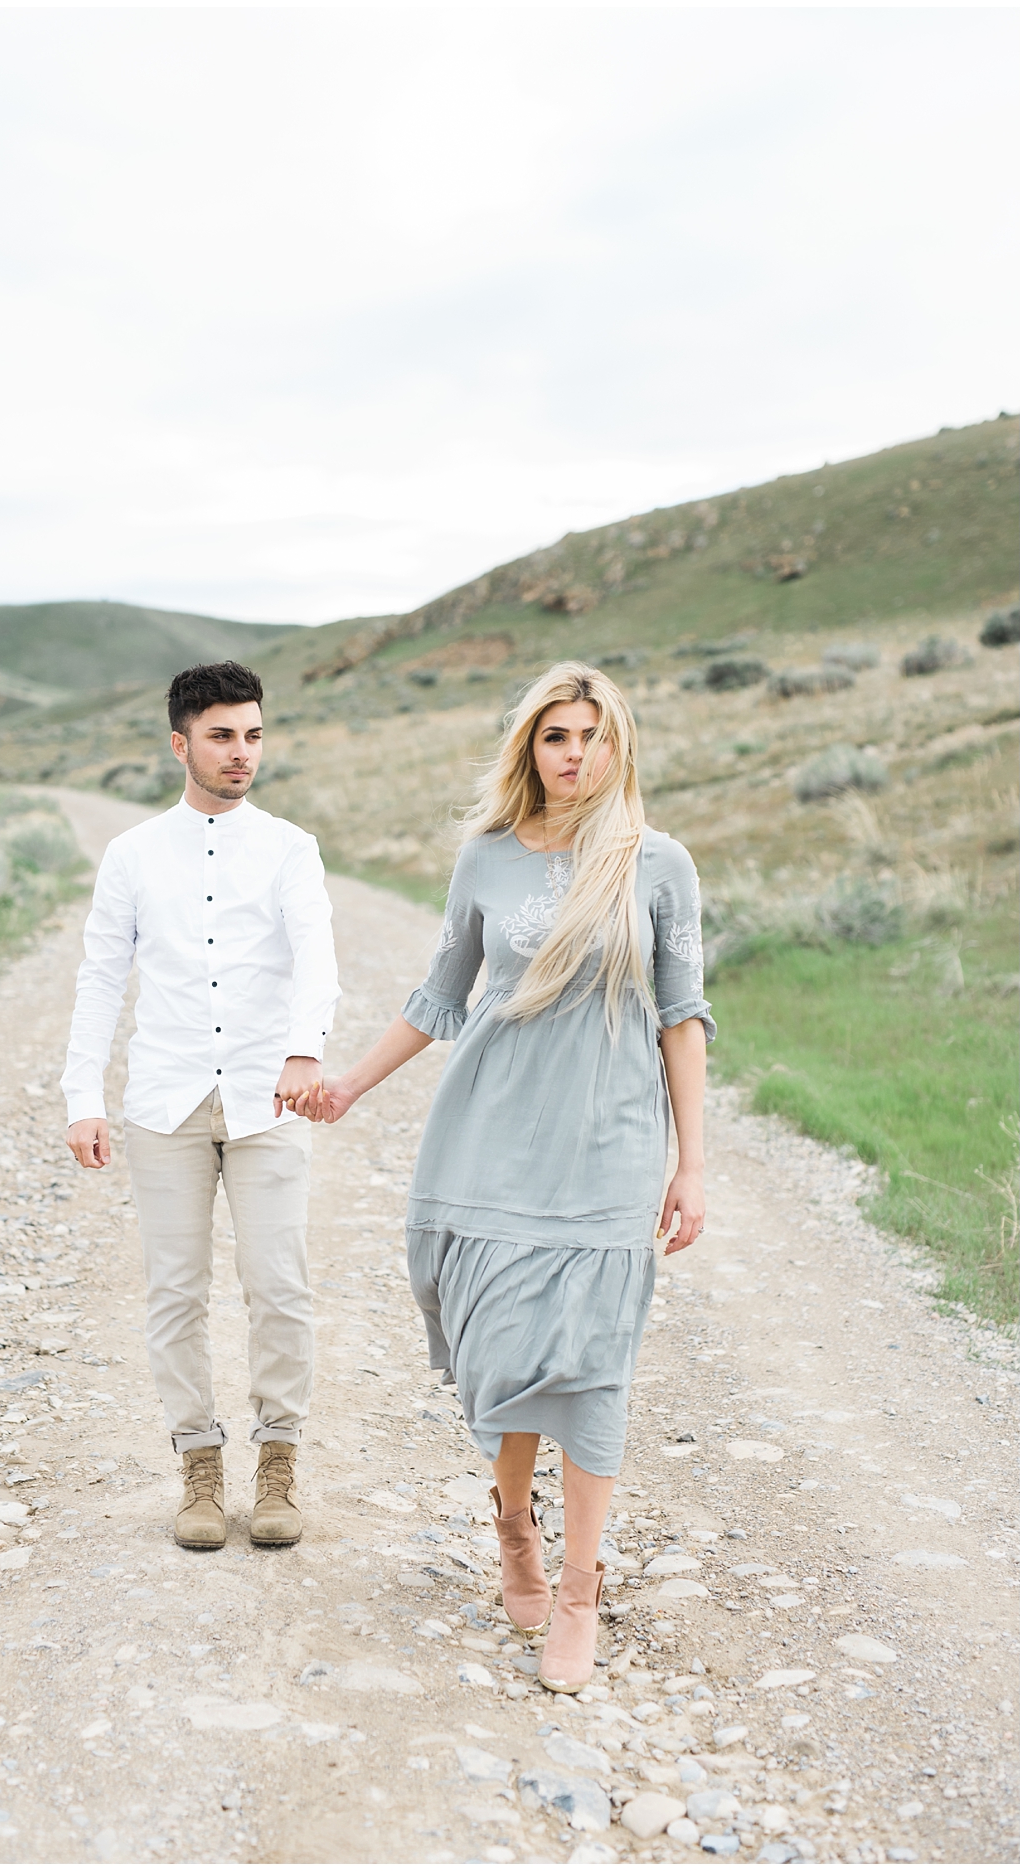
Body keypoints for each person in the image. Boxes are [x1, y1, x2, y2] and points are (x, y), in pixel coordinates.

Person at [297, 661, 711, 1694]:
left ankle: (578, 1587)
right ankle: (513, 1522)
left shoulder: (658, 865)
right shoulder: (484, 858)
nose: (576, 754)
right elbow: (439, 995)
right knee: (502, 1348)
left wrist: (690, 1161)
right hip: (488, 1134)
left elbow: (682, 1016)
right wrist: (346, 1082)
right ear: (529, 748)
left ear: (620, 745)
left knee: (590, 1360)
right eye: (556, 736)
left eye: (594, 734)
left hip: (609, 1143)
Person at [62, 661, 338, 1551]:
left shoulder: (290, 846)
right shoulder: (134, 853)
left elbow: (317, 953)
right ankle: (199, 1468)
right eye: (222, 735)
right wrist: (83, 1096)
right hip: (166, 1102)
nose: (241, 752)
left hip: (268, 1098)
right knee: (176, 1292)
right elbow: (101, 975)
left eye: (253, 734)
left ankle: (279, 1463)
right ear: (180, 742)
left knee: (280, 1285)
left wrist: (306, 1049)